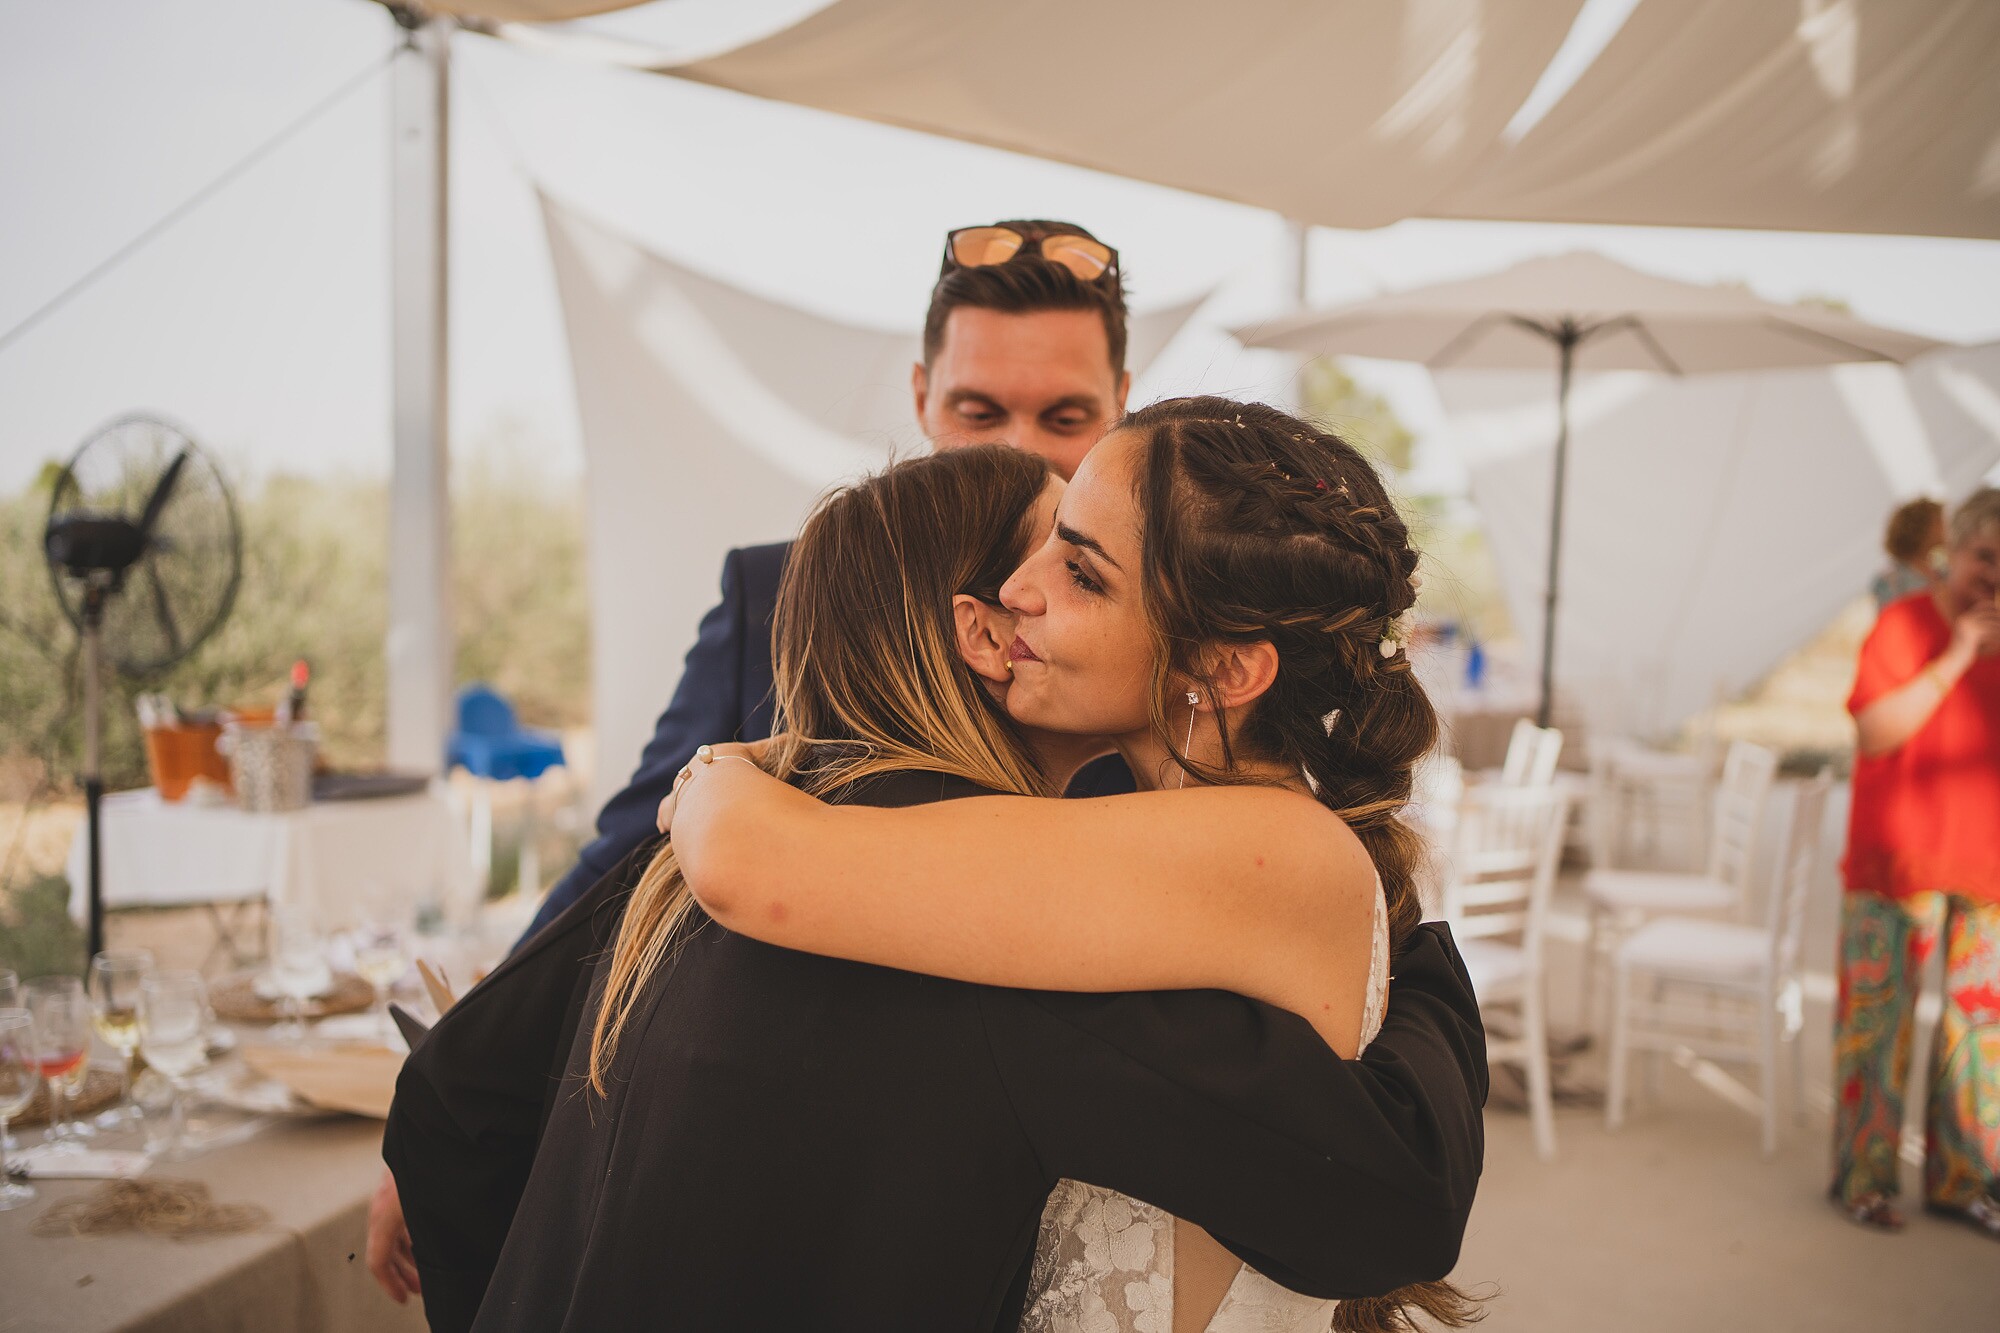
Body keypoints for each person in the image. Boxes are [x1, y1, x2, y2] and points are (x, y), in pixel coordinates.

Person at [392, 442, 1485, 1332]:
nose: (1024, 592)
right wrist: (1428, 987)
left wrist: (721, 782)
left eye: (1080, 568)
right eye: (1049, 552)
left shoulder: (731, 857)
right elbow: (1382, 1195)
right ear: (977, 634)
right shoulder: (969, 921)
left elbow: (451, 1094)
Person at [368, 218, 1135, 1302]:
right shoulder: (785, 590)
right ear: (922, 396)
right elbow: (624, 861)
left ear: (1119, 408)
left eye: (1064, 416)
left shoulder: (1137, 651)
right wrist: (464, 1066)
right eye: (979, 411)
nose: (1018, 445)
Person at [1834, 486, 2000, 1236]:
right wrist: (1958, 653)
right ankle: (1864, 1180)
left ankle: (1963, 1181)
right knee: (1877, 1026)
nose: (1993, 576)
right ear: (1951, 552)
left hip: (1985, 862)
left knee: (1981, 1037)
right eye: (1983, 557)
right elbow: (1874, 731)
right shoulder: (1904, 621)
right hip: (1894, 862)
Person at [1870, 497, 1945, 612]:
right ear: (1921, 529)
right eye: (1939, 521)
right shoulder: (1890, 582)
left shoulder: (1939, 566)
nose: (1945, 526)